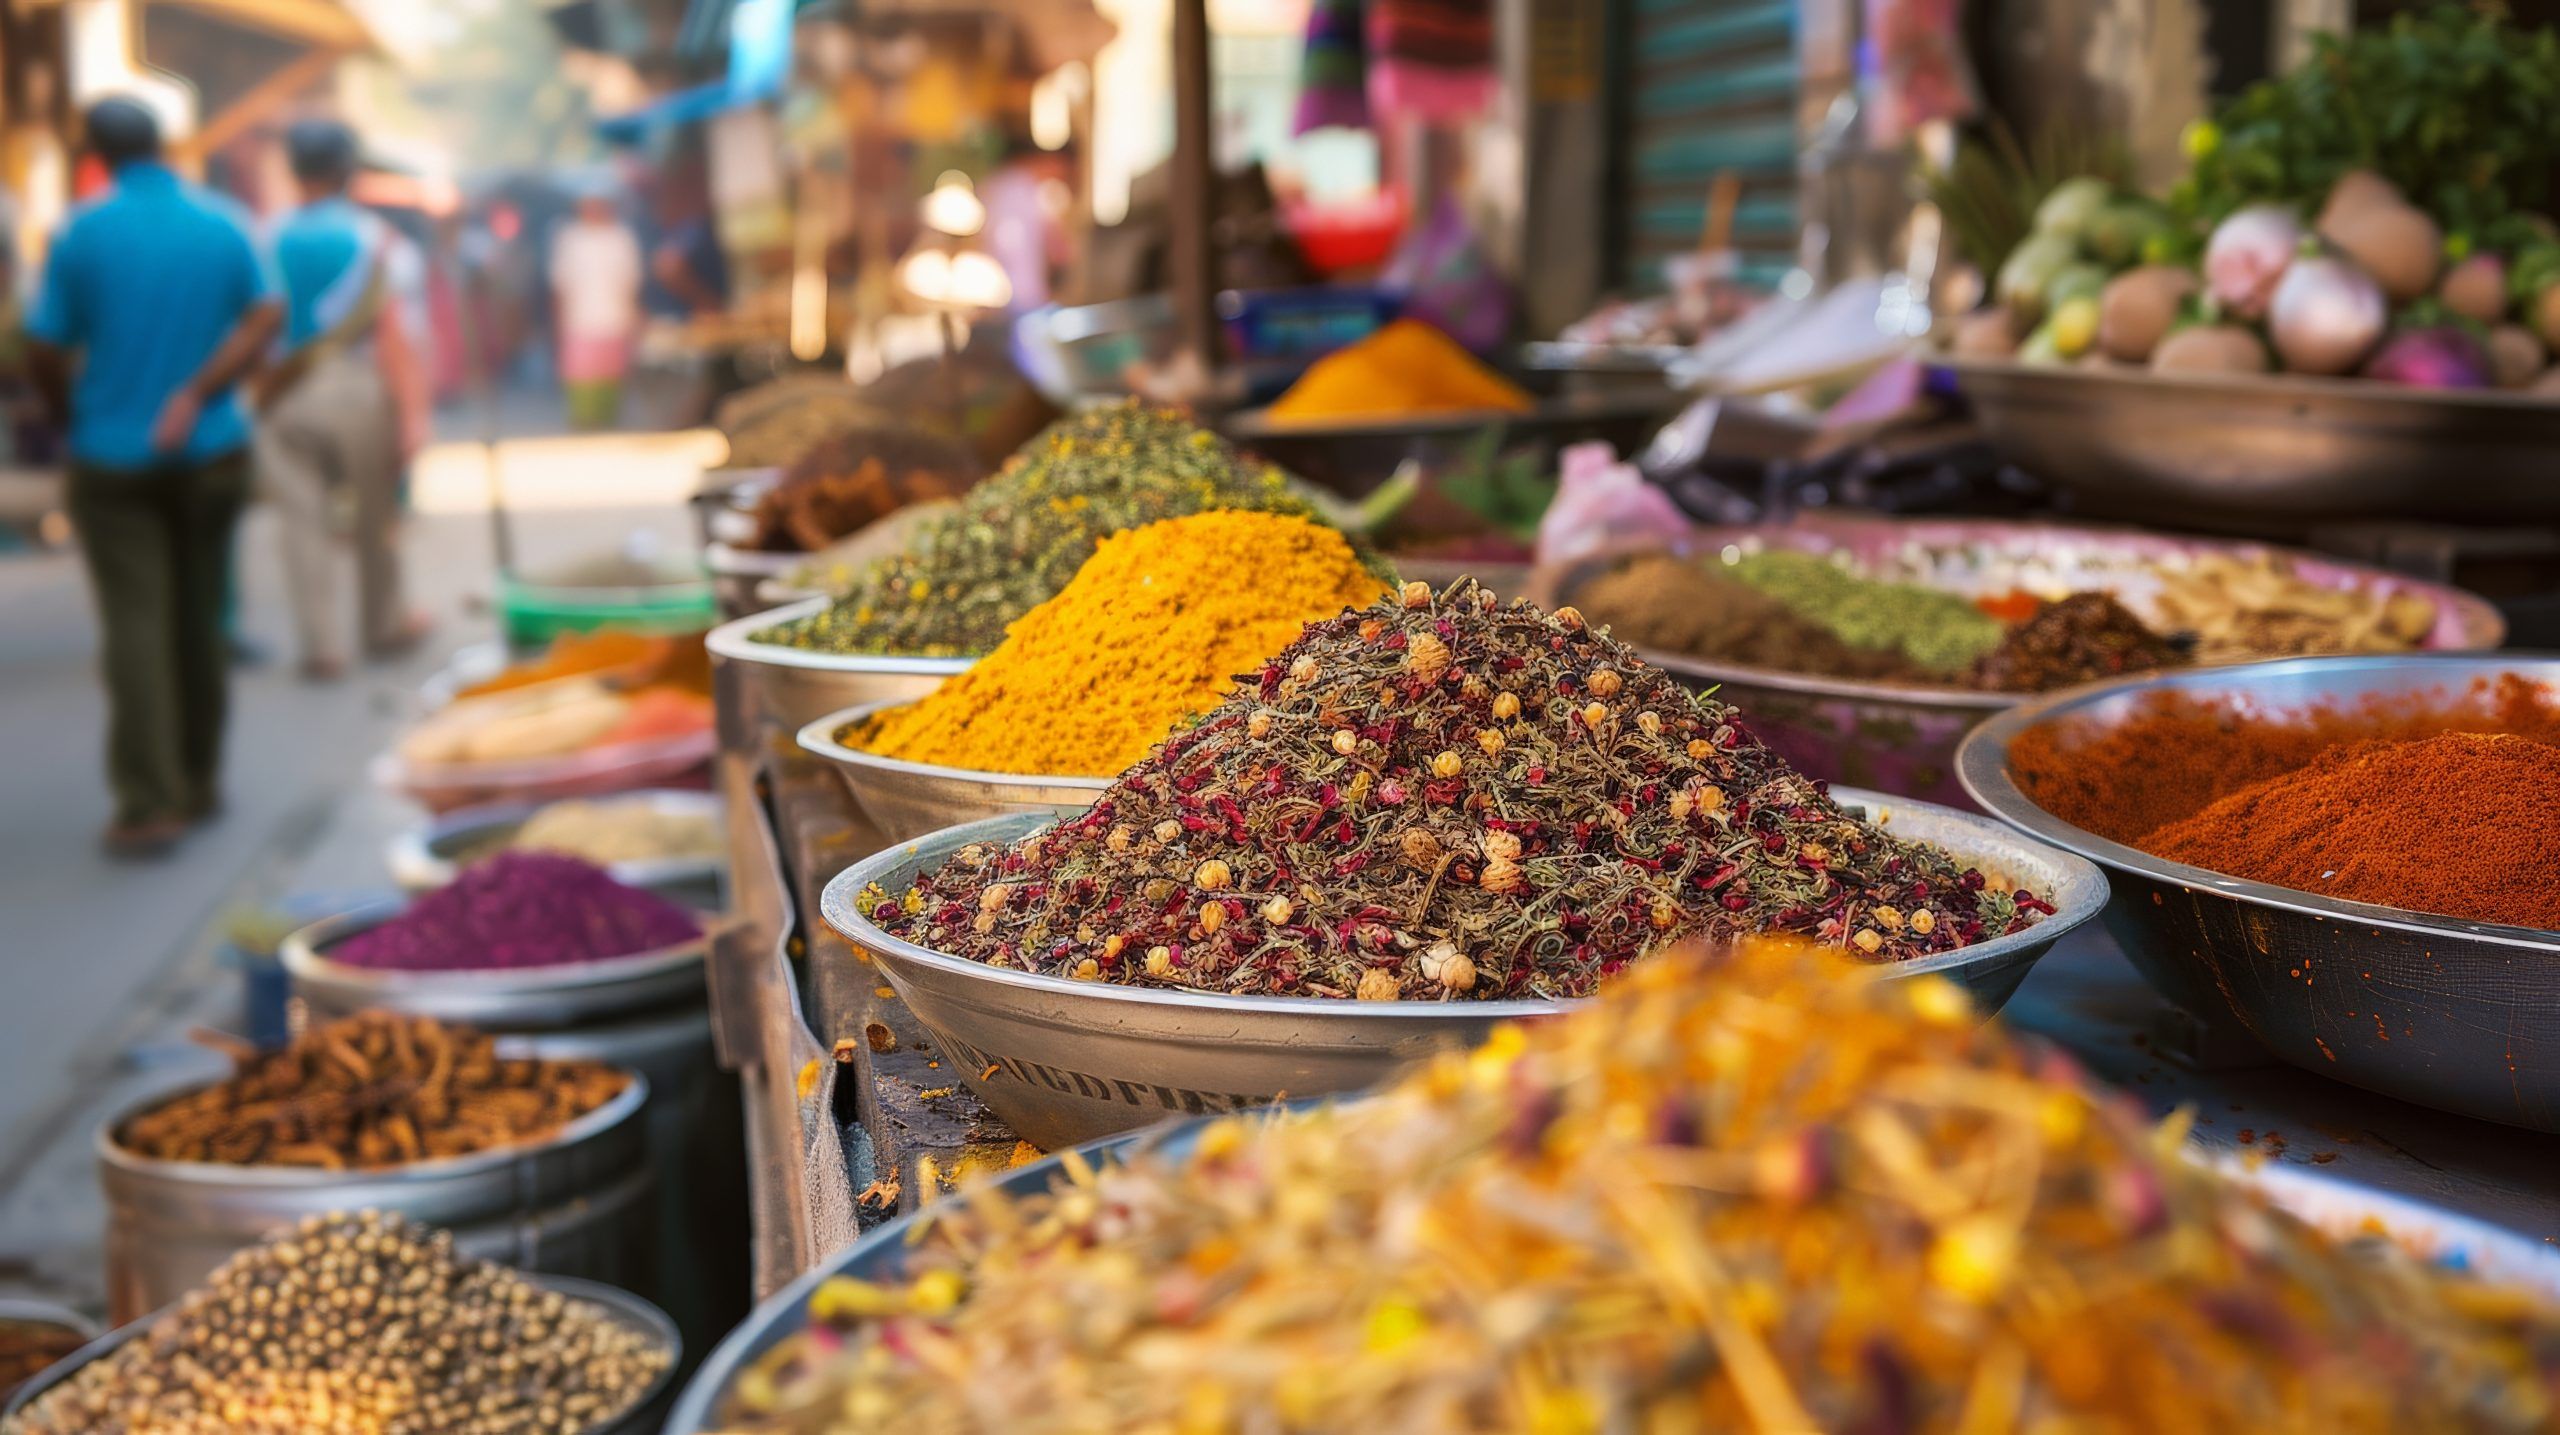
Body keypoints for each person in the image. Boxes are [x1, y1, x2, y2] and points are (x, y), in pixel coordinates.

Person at [26, 98, 281, 857]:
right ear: (165, 144)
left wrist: (66, 409)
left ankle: (149, 801)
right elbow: (268, 314)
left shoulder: (81, 231)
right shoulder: (223, 220)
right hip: (213, 451)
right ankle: (199, 782)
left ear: (93, 152)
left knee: (138, 623)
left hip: (111, 452)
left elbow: (42, 340)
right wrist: (201, 392)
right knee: (200, 615)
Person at [254, 117, 430, 682]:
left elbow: (254, 326)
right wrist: (412, 417)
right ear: (347, 170)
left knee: (301, 523)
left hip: (283, 391)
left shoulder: (265, 236)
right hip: (356, 389)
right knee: (375, 516)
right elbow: (393, 337)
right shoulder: (376, 240)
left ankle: (321, 646)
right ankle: (384, 624)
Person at [549, 191, 642, 429]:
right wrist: (558, 319)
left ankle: (607, 418)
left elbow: (630, 280)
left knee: (611, 369)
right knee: (581, 371)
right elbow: (561, 282)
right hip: (579, 317)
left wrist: (633, 314)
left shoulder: (621, 238)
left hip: (615, 315)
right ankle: (583, 418)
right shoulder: (570, 239)